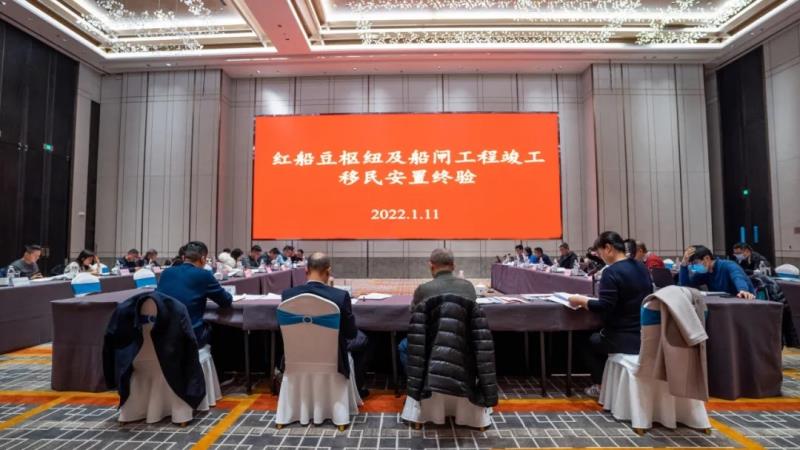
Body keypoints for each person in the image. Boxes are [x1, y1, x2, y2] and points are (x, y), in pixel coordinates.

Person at [568, 231, 654, 396]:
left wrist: (580, 300)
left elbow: (604, 306)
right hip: (644, 333)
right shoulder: (640, 267)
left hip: (623, 337)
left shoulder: (612, 271)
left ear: (608, 248)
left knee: (584, 340)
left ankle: (600, 385)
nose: (601, 257)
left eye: (600, 253)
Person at [281, 252, 371, 398]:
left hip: (298, 353)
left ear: (306, 270)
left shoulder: (287, 295)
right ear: (328, 271)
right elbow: (350, 334)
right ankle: (358, 389)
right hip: (333, 358)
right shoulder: (340, 296)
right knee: (362, 339)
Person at [398, 248, 477, 371]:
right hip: (463, 343)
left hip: (432, 344)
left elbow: (413, 312)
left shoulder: (424, 289)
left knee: (403, 346)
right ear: (453, 266)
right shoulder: (469, 287)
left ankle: (418, 380)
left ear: (431, 266)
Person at [155, 241, 233, 347]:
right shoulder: (204, 275)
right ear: (203, 259)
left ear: (184, 258)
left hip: (164, 334)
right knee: (222, 330)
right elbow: (226, 301)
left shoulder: (166, 272)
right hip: (190, 334)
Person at [679, 245, 755, 299]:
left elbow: (737, 277)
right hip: (723, 305)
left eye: (695, 263)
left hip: (743, 301)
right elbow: (686, 287)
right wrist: (683, 265)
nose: (693, 266)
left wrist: (743, 290)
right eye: (691, 264)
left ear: (707, 258)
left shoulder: (728, 265)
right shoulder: (704, 273)